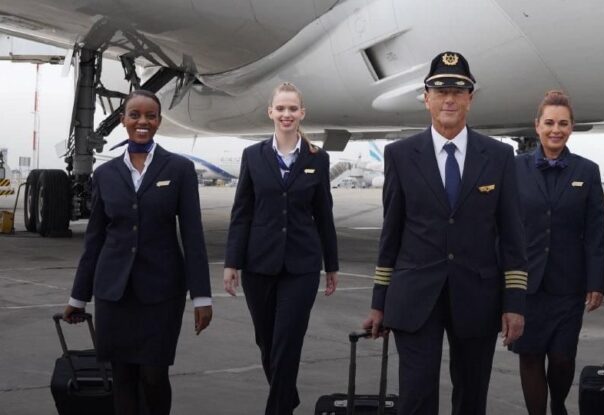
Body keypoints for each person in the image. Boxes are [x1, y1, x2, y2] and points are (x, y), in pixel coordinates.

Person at [362, 51, 528, 415]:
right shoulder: (401, 155)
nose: (449, 99)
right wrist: (379, 300)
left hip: (477, 296)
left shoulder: (498, 156)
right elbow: (391, 231)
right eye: (440, 91)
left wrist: (514, 303)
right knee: (416, 395)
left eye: (458, 90)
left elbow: (513, 234)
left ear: (471, 97)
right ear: (426, 98)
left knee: (471, 396)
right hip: (415, 293)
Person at [63, 89, 213, 415]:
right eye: (135, 115)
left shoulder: (179, 169)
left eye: (150, 116)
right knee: (123, 377)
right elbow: (95, 240)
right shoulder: (105, 175)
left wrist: (202, 296)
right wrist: (78, 297)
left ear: (158, 121)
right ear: (123, 121)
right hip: (113, 292)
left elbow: (192, 235)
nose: (142, 121)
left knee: (154, 375)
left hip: (161, 292)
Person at [223, 82, 339, 415]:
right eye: (281, 108)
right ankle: (287, 397)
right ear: (270, 112)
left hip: (301, 265)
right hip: (258, 263)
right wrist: (232, 262)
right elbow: (242, 212)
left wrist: (331, 265)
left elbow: (323, 215)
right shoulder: (253, 156)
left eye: (293, 108)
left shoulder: (318, 159)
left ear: (302, 113)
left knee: (288, 341)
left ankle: (278, 409)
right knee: (267, 342)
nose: (286, 114)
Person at [512, 90, 604, 415]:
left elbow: (596, 232)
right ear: (537, 126)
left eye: (563, 123)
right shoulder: (514, 169)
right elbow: (502, 228)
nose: (556, 129)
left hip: (569, 284)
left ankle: (559, 404)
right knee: (530, 355)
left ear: (571, 127)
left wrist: (596, 281)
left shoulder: (587, 171)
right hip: (525, 283)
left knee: (563, 357)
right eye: (549, 122)